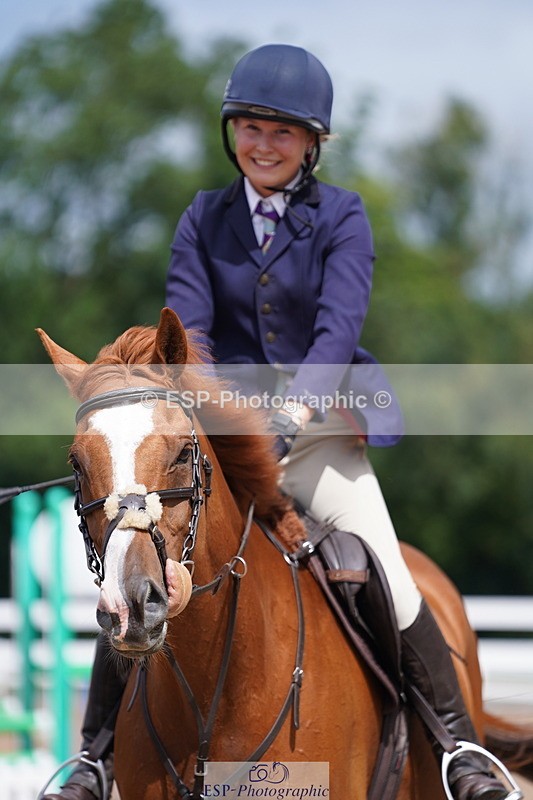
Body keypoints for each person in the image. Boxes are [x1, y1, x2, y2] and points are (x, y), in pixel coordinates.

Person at [45, 44, 520, 800]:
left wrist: (293, 411)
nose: (262, 145)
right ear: (231, 131)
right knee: (140, 566)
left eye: (282, 132)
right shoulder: (203, 218)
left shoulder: (342, 216)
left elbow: (337, 330)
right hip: (222, 450)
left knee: (389, 575)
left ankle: (460, 751)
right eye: (250, 128)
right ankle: (95, 759)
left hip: (318, 437)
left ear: (311, 143)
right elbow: (187, 335)